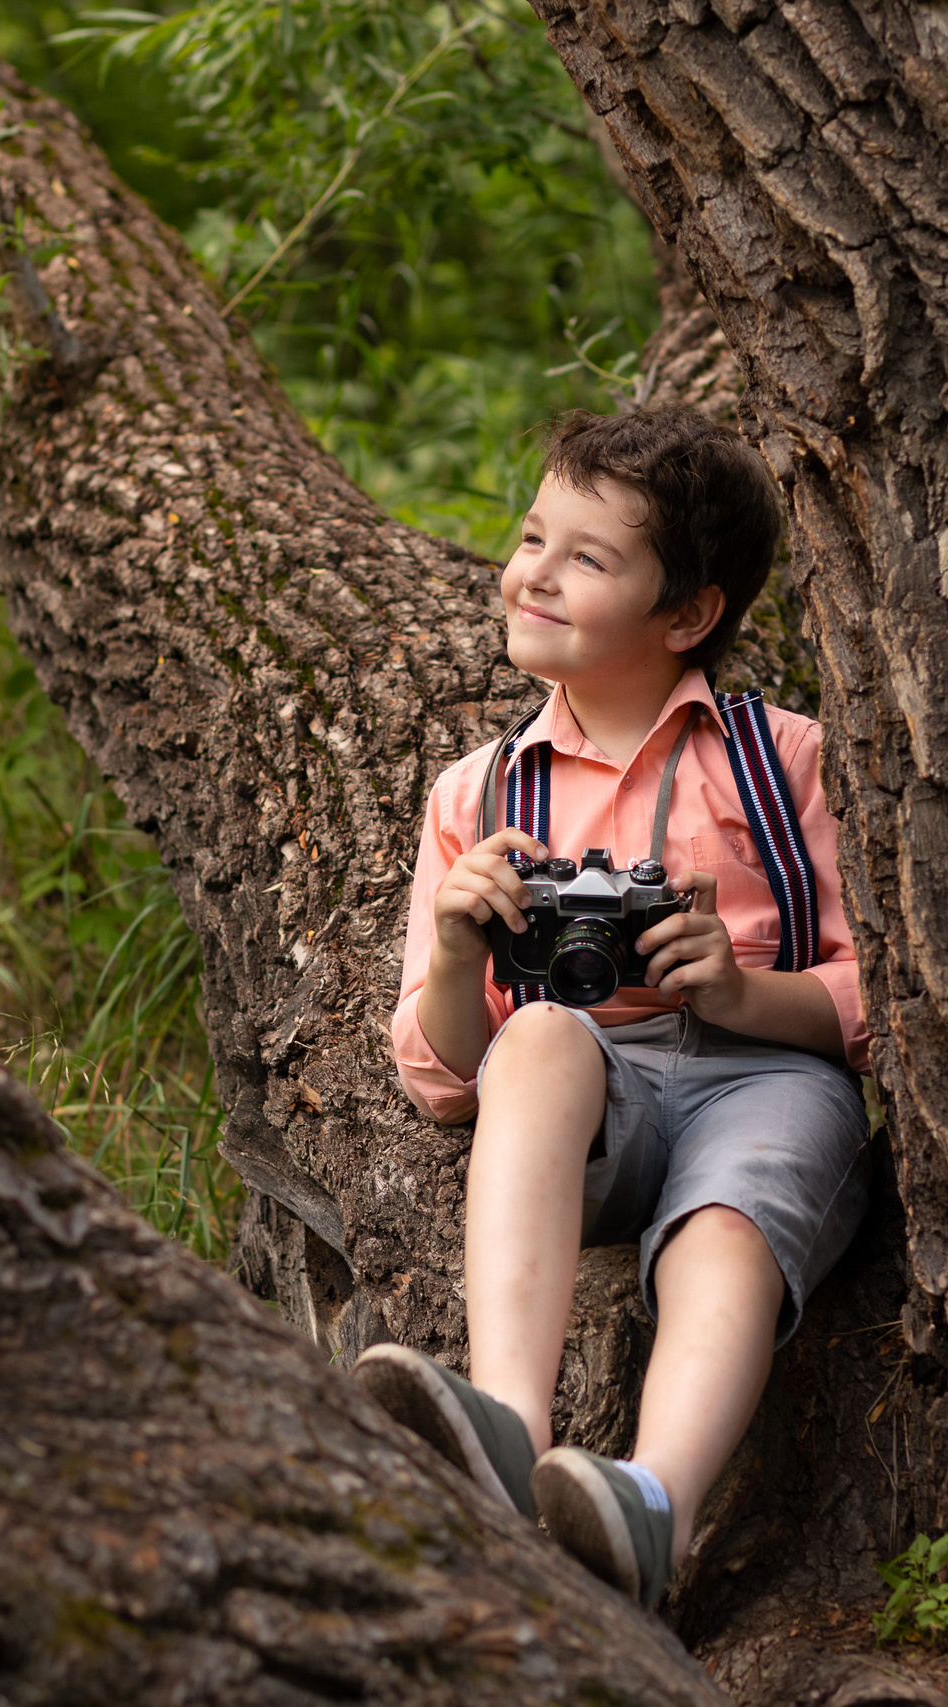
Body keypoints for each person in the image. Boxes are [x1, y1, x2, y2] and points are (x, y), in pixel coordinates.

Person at [357, 406, 872, 1607]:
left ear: (687, 613)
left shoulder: (788, 760)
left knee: (731, 1226)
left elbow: (889, 1001)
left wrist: (747, 988)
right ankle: (503, 1433)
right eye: (534, 537)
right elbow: (444, 1083)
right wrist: (450, 951)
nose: (533, 573)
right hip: (594, 1098)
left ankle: (653, 1504)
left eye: (586, 558)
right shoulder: (479, 791)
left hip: (768, 1078)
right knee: (539, 1031)